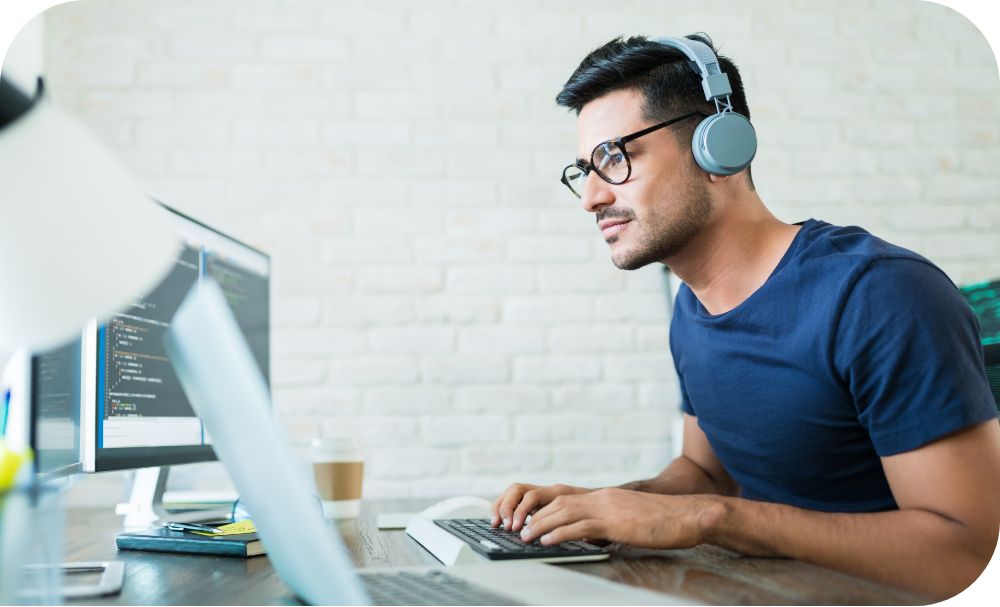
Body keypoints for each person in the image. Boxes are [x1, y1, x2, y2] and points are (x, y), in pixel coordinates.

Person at [492, 34, 1000, 600]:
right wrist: (595, 507)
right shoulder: (691, 306)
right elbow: (706, 474)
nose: (590, 198)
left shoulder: (881, 296)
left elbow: (966, 555)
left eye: (615, 158)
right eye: (583, 169)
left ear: (720, 149)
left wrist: (713, 519)